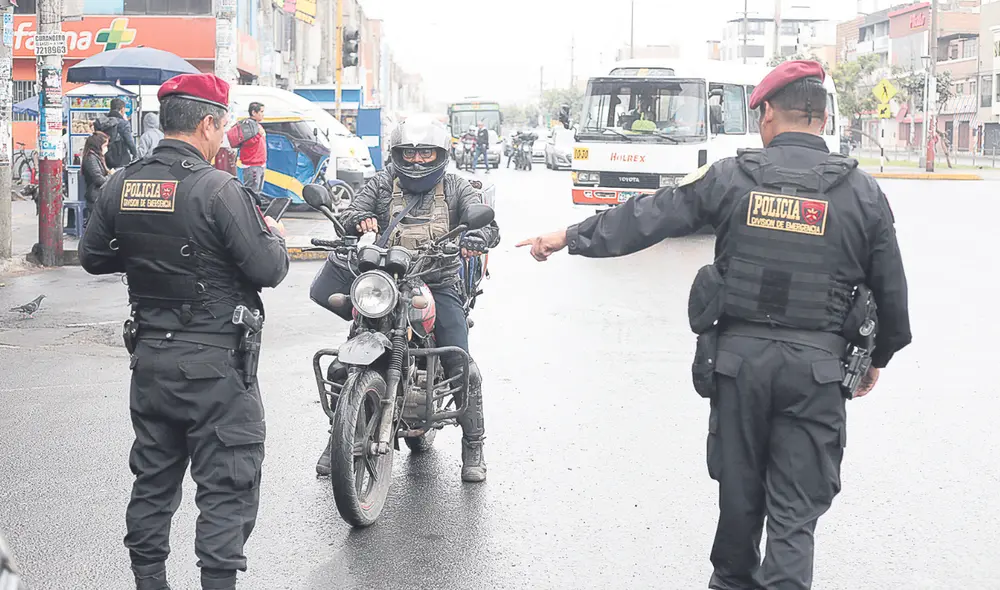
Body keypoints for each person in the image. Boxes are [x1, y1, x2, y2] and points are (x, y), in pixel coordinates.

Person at [516, 61, 911, 590]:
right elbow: (892, 293)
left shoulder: (732, 176)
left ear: (768, 111)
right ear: (821, 116)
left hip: (739, 365)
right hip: (817, 372)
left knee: (740, 497)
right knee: (794, 516)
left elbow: (649, 216)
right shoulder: (863, 191)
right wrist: (877, 359)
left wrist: (569, 235)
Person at [79, 73, 290, 590]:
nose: (221, 138)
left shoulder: (122, 182)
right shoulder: (219, 188)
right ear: (206, 124)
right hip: (215, 366)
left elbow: (92, 257)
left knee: (153, 479)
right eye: (220, 128)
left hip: (150, 359)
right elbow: (267, 269)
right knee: (227, 484)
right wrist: (275, 236)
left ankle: (149, 581)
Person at [309, 114, 500, 483]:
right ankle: (340, 434)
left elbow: (488, 226)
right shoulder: (382, 183)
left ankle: (473, 444)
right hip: (385, 282)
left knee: (461, 362)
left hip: (438, 282)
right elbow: (353, 212)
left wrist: (477, 238)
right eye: (409, 154)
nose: (416, 161)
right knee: (346, 358)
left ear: (440, 154)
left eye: (426, 154)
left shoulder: (457, 187)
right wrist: (359, 221)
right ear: (396, 154)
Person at [80, 131, 111, 226]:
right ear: (98, 145)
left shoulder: (97, 157)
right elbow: (98, 179)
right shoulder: (91, 158)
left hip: (98, 194)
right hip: (95, 195)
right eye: (105, 145)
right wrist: (110, 177)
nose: (106, 148)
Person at [238, 102, 267, 194]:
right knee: (252, 192)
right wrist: (259, 134)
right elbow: (247, 142)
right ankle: (250, 208)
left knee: (258, 191)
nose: (263, 114)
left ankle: (256, 207)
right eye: (261, 111)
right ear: (254, 112)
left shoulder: (257, 125)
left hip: (260, 164)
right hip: (252, 165)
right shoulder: (248, 125)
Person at [103, 97, 138, 168]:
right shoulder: (123, 123)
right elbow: (130, 142)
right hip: (121, 159)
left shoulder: (103, 122)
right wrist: (135, 155)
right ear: (122, 109)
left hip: (105, 159)